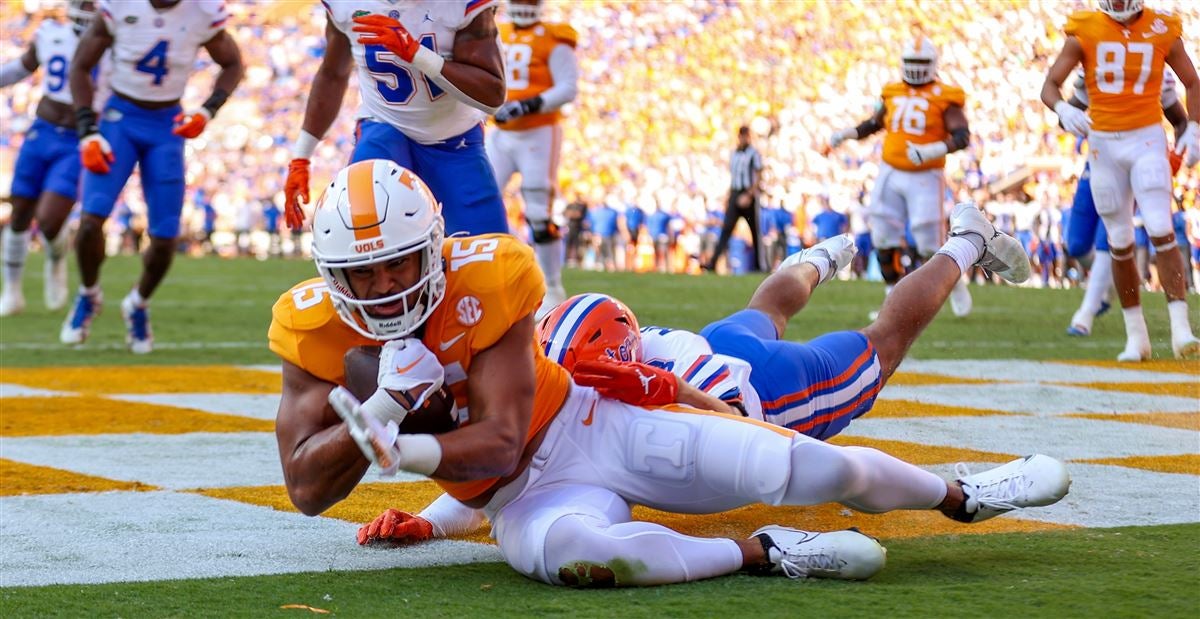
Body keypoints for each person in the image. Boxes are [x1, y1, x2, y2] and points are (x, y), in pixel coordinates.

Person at [271, 159, 1071, 588]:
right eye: (360, 273)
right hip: (532, 496)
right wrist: (381, 413)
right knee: (599, 558)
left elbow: (503, 438)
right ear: (326, 272)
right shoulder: (311, 328)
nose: (384, 288)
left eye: (399, 264)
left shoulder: (495, 283)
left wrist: (401, 444)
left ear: (437, 243)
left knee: (812, 455)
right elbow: (307, 487)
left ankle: (967, 495)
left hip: (590, 424)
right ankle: (767, 551)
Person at [368, 200, 1040, 546]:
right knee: (764, 308)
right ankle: (823, 253)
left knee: (881, 344)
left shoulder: (620, 386)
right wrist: (432, 520)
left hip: (760, 387)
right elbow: (525, 450)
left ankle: (965, 240)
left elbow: (728, 428)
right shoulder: (600, 362)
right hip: (707, 348)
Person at [61, 0, 244, 354]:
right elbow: (81, 66)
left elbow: (233, 62)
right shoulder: (119, 5)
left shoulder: (202, 11)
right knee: (89, 221)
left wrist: (208, 111)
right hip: (120, 118)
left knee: (164, 237)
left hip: (166, 126)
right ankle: (89, 295)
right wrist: (87, 130)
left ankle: (138, 303)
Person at [1042, 0, 1200, 361]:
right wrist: (1064, 109)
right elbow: (1050, 85)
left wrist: (1193, 128)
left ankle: (1181, 331)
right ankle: (1136, 337)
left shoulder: (1163, 28)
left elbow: (1193, 82)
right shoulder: (1084, 29)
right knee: (1119, 241)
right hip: (1104, 145)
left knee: (1161, 227)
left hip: (1146, 137)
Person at [283, 0, 509, 238]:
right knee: (364, 238)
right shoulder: (346, 4)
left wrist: (416, 54)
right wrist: (301, 157)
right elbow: (332, 75)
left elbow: (491, 94)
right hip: (384, 127)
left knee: (486, 255)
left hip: (454, 139)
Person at [828, 37, 974, 318]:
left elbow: (962, 137)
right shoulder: (892, 91)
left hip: (925, 174)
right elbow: (875, 123)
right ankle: (891, 300)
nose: (916, 69)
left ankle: (955, 284)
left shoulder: (946, 95)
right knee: (882, 234)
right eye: (911, 63)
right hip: (890, 171)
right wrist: (849, 133)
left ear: (933, 65)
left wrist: (933, 149)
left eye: (921, 63)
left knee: (929, 242)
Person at [1062, 68, 1189, 337]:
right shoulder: (1098, 55)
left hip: (1138, 160)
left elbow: (1179, 118)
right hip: (1099, 157)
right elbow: (1066, 118)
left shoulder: (1152, 60)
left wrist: (1177, 154)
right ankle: (1106, 286)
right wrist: (1068, 107)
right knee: (1075, 243)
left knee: (1112, 238)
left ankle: (1085, 314)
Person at [0, 0, 95, 317]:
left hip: (77, 139)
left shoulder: (113, 41)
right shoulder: (50, 33)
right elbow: (21, 68)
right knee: (19, 212)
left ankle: (56, 257)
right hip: (42, 130)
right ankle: (12, 290)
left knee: (51, 219)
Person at [486, 0, 579, 314]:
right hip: (501, 133)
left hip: (538, 132)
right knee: (483, 200)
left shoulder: (554, 37)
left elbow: (568, 87)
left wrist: (528, 105)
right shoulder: (495, 31)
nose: (524, 5)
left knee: (539, 209)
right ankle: (491, 277)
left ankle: (551, 285)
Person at [704, 126, 763, 273]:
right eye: (741, 136)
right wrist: (729, 196)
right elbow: (734, 178)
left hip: (748, 194)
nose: (744, 138)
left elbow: (759, 175)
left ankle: (759, 266)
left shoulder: (753, 153)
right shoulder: (734, 153)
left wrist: (749, 194)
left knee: (754, 231)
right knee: (726, 229)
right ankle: (713, 263)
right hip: (736, 193)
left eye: (746, 136)